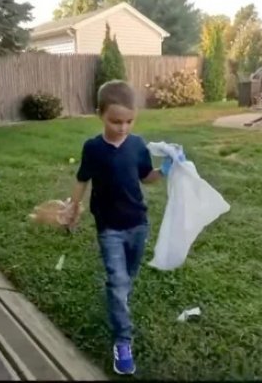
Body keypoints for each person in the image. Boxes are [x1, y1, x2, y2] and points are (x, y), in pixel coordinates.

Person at [65, 80, 182, 375]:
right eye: (116, 121)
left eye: (129, 121)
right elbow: (82, 180)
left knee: (127, 279)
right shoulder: (93, 148)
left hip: (138, 224)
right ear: (100, 114)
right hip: (110, 230)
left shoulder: (137, 145)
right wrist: (74, 208)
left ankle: (120, 300)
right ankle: (123, 340)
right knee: (117, 283)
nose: (123, 128)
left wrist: (166, 169)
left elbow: (146, 177)